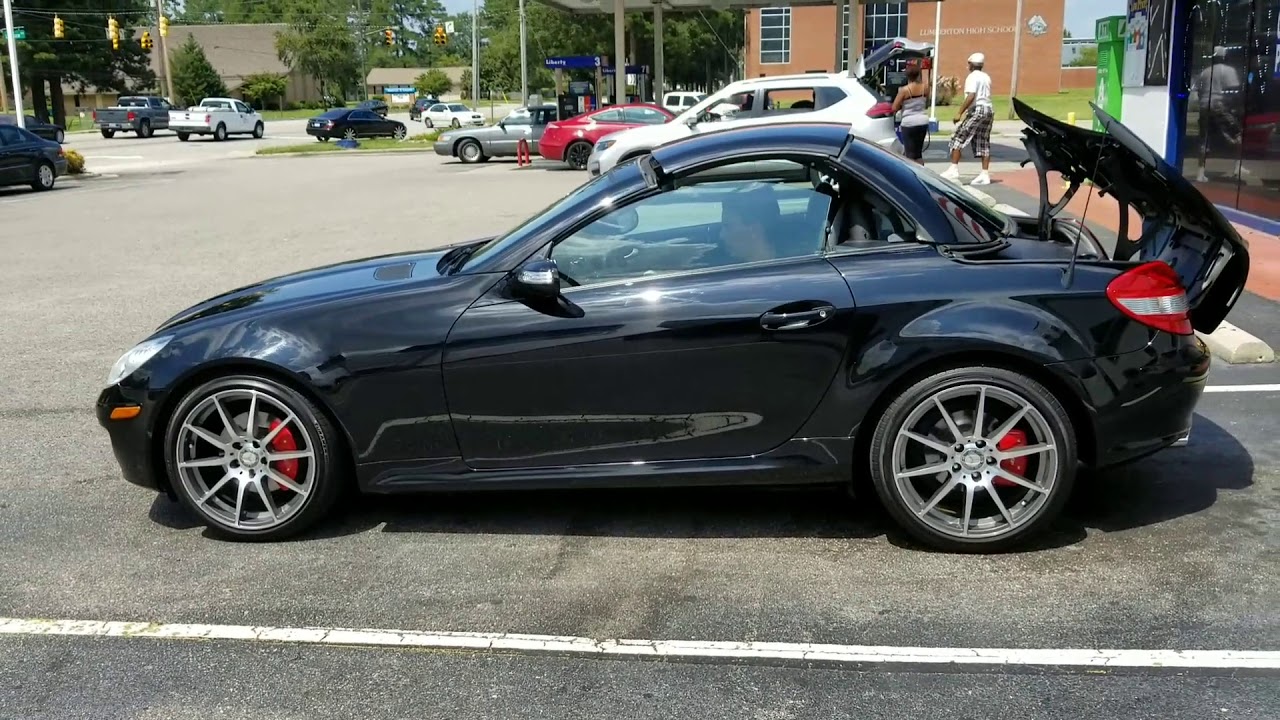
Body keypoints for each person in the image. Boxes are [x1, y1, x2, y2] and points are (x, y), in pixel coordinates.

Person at [941, 52, 994, 186]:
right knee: (983, 141)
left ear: (970, 64)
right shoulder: (986, 77)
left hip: (977, 109)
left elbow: (971, 96)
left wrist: (959, 112)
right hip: (988, 109)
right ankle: (985, 174)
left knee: (958, 137)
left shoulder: (972, 77)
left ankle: (953, 169)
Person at [893, 61, 932, 165]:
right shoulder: (926, 88)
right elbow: (926, 104)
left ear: (907, 75)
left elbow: (894, 107)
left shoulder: (904, 90)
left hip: (909, 122)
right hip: (922, 120)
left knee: (910, 154)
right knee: (918, 154)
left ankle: (912, 176)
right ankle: (923, 174)